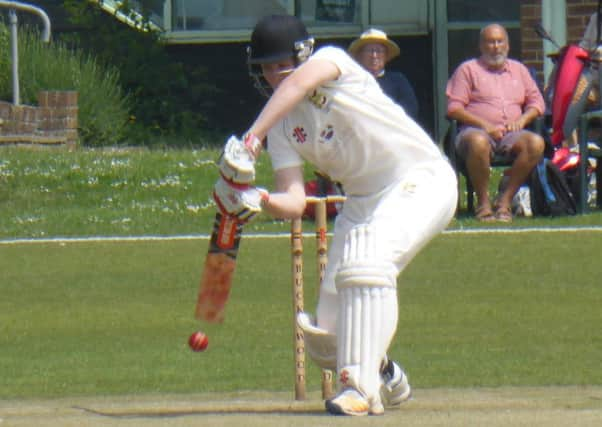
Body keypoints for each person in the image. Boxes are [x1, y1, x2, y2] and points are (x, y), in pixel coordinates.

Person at [213, 14, 457, 416]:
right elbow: (294, 200)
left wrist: (249, 138)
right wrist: (256, 198)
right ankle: (386, 374)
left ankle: (361, 390)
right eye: (266, 68)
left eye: (279, 64)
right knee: (328, 336)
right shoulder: (283, 129)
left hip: (420, 179)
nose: (274, 76)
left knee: (366, 266)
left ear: (302, 54)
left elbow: (298, 84)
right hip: (362, 202)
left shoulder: (331, 62)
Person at [446, 23, 546, 222]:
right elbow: (454, 108)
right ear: (481, 46)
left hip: (512, 133)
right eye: (490, 42)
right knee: (478, 142)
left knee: (535, 143)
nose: (496, 47)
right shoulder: (468, 70)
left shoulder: (519, 70)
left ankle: (504, 202)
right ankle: (483, 205)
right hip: (475, 132)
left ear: (507, 45)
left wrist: (522, 120)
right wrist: (485, 125)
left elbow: (538, 103)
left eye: (500, 42)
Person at [348, 28, 419, 120]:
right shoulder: (351, 81)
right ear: (360, 55)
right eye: (369, 50)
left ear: (386, 56)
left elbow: (410, 111)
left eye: (379, 51)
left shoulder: (397, 80)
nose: (374, 55)